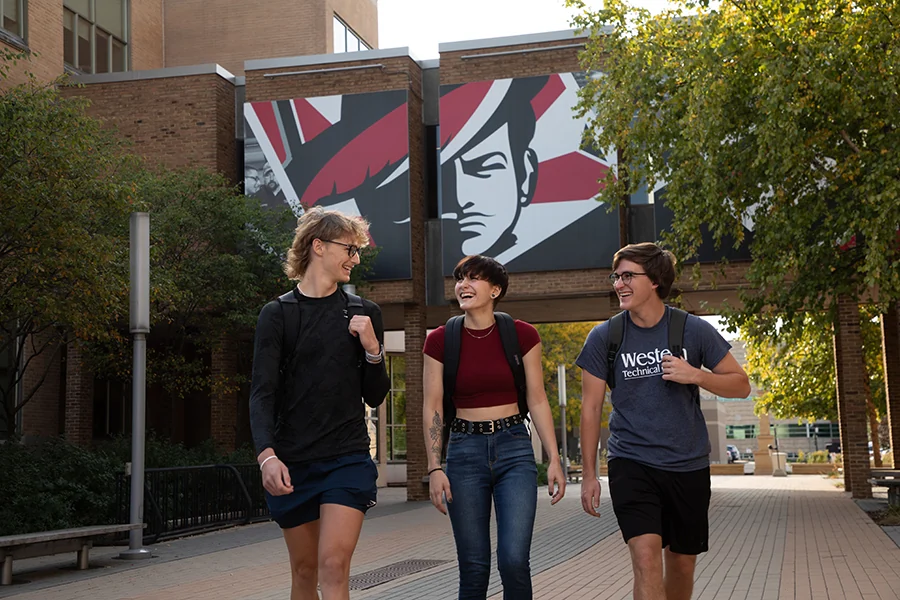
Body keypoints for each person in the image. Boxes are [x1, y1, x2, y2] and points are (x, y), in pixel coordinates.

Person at [577, 242, 750, 600]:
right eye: (617, 276)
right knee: (645, 560)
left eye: (628, 276)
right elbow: (591, 409)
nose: (619, 284)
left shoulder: (692, 330)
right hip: (632, 462)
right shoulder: (604, 337)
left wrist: (696, 375)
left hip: (687, 464)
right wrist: (590, 475)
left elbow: (741, 384)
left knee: (682, 564)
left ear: (655, 280)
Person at [249, 206, 390, 600]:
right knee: (304, 570)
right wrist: (267, 456)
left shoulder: (365, 314)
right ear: (318, 246)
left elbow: (375, 394)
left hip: (346, 458)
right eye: (349, 249)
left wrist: (373, 349)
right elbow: (262, 393)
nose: (356, 259)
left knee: (332, 565)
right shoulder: (277, 315)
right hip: (293, 463)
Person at [422, 254, 566, 600]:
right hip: (463, 452)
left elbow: (537, 399)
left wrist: (555, 459)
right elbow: (433, 405)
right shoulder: (439, 340)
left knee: (514, 561)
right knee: (473, 566)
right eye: (460, 278)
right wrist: (434, 467)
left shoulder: (522, 335)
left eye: (473, 278)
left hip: (514, 448)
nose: (463, 285)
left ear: (495, 289)